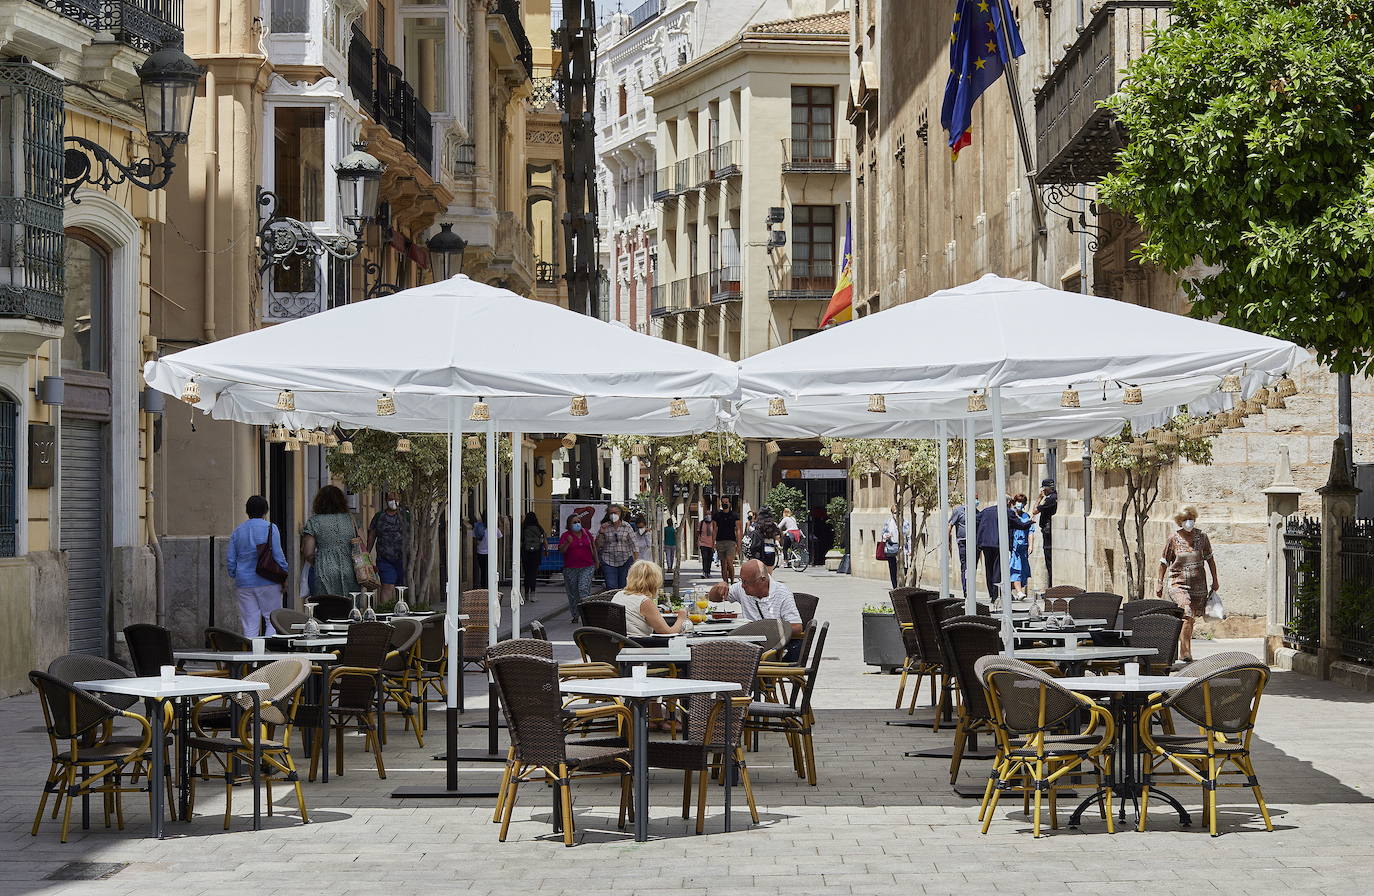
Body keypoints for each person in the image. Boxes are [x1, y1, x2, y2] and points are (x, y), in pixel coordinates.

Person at [1156, 504, 1218, 663]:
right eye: (1185, 520)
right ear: (1179, 521)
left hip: (1198, 585)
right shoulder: (1173, 539)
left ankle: (1186, 648)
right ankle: (1185, 652)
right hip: (1178, 583)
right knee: (1187, 612)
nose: (1189, 522)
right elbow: (1164, 562)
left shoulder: (1202, 537)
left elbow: (1210, 559)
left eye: (1191, 519)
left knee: (1190, 619)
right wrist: (1159, 583)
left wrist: (1215, 580)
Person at [708, 559, 804, 660]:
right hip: (747, 648)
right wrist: (718, 588)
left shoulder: (782, 593)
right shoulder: (741, 588)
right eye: (741, 580)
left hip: (773, 652)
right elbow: (714, 598)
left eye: (746, 582)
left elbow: (797, 627)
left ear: (762, 580)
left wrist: (764, 630)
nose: (743, 585)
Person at [228, 495, 288, 637]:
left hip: (244, 583)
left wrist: (236, 574)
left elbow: (231, 559)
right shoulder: (271, 528)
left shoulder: (238, 531)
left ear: (247, 511)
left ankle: (252, 656)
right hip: (269, 579)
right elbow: (278, 556)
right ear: (265, 511)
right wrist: (284, 575)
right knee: (272, 620)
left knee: (249, 623)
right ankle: (267, 656)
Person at [301, 485, 359, 597]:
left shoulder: (314, 522)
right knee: (349, 608)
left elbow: (308, 552)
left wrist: (320, 561)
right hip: (350, 571)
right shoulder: (351, 519)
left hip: (324, 571)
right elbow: (360, 544)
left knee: (325, 609)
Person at [974, 497, 1034, 602]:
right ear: (1009, 502)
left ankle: (992, 595)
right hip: (999, 544)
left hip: (986, 544)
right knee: (997, 569)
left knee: (989, 569)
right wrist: (1029, 523)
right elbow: (1019, 525)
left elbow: (976, 521)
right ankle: (996, 596)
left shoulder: (986, 511)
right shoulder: (1007, 512)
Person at [612, 560, 690, 639]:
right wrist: (681, 618)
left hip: (619, 643)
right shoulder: (644, 601)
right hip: (638, 645)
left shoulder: (619, 594)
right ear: (654, 582)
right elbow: (668, 633)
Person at [366, 491, 410, 604]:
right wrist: (367, 554)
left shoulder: (406, 516)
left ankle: (401, 613)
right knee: (387, 586)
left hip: (404, 559)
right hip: (385, 559)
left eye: (396, 498)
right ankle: (386, 612)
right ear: (386, 500)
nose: (394, 501)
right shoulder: (379, 517)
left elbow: (415, 535)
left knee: (402, 589)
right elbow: (372, 535)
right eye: (391, 498)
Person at [558, 514, 596, 624]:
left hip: (587, 566)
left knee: (583, 589)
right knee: (573, 593)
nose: (577, 524)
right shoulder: (566, 536)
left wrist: (596, 560)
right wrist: (567, 543)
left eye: (578, 521)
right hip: (571, 568)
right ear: (569, 525)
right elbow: (561, 550)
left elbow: (592, 547)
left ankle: (587, 614)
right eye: (574, 522)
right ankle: (575, 614)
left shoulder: (586, 534)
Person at [596, 503, 637, 591]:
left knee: (624, 587)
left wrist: (636, 562)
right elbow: (599, 545)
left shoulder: (627, 526)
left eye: (616, 512)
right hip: (608, 560)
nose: (613, 515)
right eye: (611, 513)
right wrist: (601, 533)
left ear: (620, 514)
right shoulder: (605, 526)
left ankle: (621, 604)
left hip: (625, 559)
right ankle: (612, 604)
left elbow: (634, 544)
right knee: (611, 587)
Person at [1008, 494, 1037, 598]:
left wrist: (1031, 545)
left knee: (1023, 571)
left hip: (1023, 548)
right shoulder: (1011, 515)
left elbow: (1031, 531)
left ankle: (1006, 591)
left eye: (1022, 502)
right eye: (1018, 501)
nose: (1019, 504)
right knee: (1016, 569)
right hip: (1013, 548)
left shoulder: (1026, 516)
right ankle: (1019, 592)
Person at [1034, 478, 1058, 586]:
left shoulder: (1050, 499)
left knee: (1050, 562)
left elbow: (1034, 510)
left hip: (1048, 533)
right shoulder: (1053, 497)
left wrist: (1039, 498)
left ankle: (1051, 588)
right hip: (1049, 531)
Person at [712, 497, 741, 584]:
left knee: (729, 561)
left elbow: (738, 529)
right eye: (723, 502)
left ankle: (732, 581)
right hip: (720, 541)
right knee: (723, 564)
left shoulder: (734, 515)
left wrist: (739, 544)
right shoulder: (717, 515)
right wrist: (713, 542)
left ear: (729, 503)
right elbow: (714, 529)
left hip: (731, 541)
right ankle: (725, 582)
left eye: (726, 502)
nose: (725, 503)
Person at [519, 511, 546, 604]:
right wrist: (546, 550)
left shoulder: (523, 527)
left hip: (525, 553)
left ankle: (526, 594)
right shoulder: (539, 527)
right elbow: (544, 539)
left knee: (526, 574)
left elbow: (521, 540)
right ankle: (533, 594)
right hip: (536, 552)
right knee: (533, 573)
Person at [948, 500, 974, 594]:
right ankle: (966, 589)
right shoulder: (958, 511)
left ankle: (970, 587)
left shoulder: (976, 512)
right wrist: (948, 543)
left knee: (972, 566)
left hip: (974, 543)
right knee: (965, 566)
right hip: (963, 542)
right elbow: (950, 525)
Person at [472, 512, 500, 589]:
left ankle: (484, 586)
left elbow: (474, 539)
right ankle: (490, 586)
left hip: (480, 552)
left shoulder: (478, 527)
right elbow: (500, 536)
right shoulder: (494, 527)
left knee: (483, 571)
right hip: (491, 553)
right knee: (490, 571)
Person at [880, 508, 902, 590]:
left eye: (898, 512)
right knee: (893, 569)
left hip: (901, 548)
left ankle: (901, 585)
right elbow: (883, 534)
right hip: (891, 548)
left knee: (902, 568)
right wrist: (887, 536)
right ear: (892, 513)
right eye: (895, 513)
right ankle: (895, 586)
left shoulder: (904, 522)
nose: (897, 515)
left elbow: (908, 536)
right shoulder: (888, 523)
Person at [697, 512, 717, 577]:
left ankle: (708, 572)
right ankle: (704, 572)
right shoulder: (701, 523)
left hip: (711, 544)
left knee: (709, 559)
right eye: (706, 514)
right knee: (704, 558)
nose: (708, 515)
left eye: (709, 514)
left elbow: (714, 533)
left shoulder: (713, 523)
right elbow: (698, 533)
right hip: (703, 544)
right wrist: (698, 541)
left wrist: (714, 544)